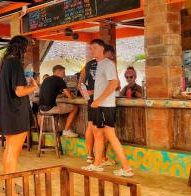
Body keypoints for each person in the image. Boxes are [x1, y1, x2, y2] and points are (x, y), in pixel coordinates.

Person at [0, 36, 38, 196]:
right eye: (26, 48)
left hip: (6, 112)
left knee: (8, 150)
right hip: (16, 112)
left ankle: (8, 185)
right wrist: (33, 86)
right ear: (22, 48)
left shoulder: (5, 63)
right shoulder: (16, 65)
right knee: (14, 152)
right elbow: (19, 91)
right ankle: (12, 193)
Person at [82, 39, 133, 177]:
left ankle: (126, 168)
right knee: (97, 134)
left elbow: (114, 83)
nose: (91, 50)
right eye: (90, 48)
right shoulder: (98, 64)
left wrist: (98, 99)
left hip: (105, 106)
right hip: (99, 106)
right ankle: (97, 164)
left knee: (111, 136)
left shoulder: (108, 64)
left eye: (94, 48)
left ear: (102, 49)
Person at [79, 42, 117, 165]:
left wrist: (86, 96)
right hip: (102, 101)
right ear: (105, 52)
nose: (111, 59)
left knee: (91, 127)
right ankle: (102, 158)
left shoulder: (88, 65)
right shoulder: (108, 64)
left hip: (92, 100)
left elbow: (80, 83)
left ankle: (90, 156)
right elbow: (116, 84)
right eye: (110, 56)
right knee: (103, 131)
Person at [39, 64, 78, 137]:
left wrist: (62, 95)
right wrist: (71, 96)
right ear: (58, 72)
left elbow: (51, 93)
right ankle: (66, 130)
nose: (65, 74)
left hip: (41, 109)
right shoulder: (59, 80)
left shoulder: (46, 79)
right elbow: (70, 96)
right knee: (75, 108)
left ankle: (58, 129)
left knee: (63, 106)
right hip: (50, 108)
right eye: (63, 72)